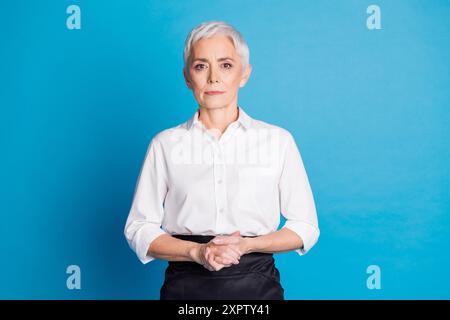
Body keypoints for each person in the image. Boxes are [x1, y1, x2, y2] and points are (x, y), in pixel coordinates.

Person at [124, 21, 320, 300]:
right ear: (187, 77)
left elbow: (305, 226)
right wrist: (197, 252)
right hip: (185, 288)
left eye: (226, 65)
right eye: (201, 66)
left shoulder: (278, 141)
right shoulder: (165, 145)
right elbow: (139, 228)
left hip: (257, 287)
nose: (214, 77)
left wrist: (246, 246)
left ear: (244, 74)